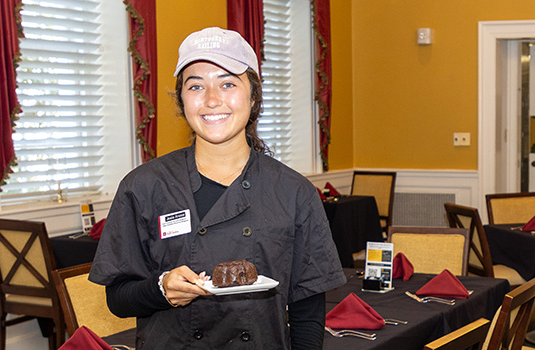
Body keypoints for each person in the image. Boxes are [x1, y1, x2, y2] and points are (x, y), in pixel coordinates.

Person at [89, 27, 346, 349]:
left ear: (253, 97)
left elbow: (307, 309)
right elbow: (118, 299)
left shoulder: (293, 191)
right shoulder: (144, 186)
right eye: (195, 86)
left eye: (227, 83)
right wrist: (160, 289)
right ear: (182, 100)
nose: (211, 100)